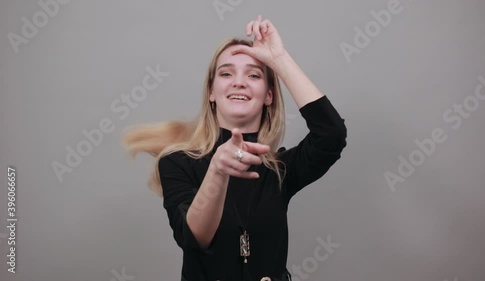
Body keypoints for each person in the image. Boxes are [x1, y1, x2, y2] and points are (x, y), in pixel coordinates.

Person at [122, 15, 347, 281]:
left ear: (268, 96)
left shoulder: (279, 169)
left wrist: (278, 58)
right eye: (226, 73)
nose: (239, 82)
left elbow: (331, 134)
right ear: (211, 92)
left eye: (253, 75)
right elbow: (193, 238)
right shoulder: (176, 161)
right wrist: (218, 170)